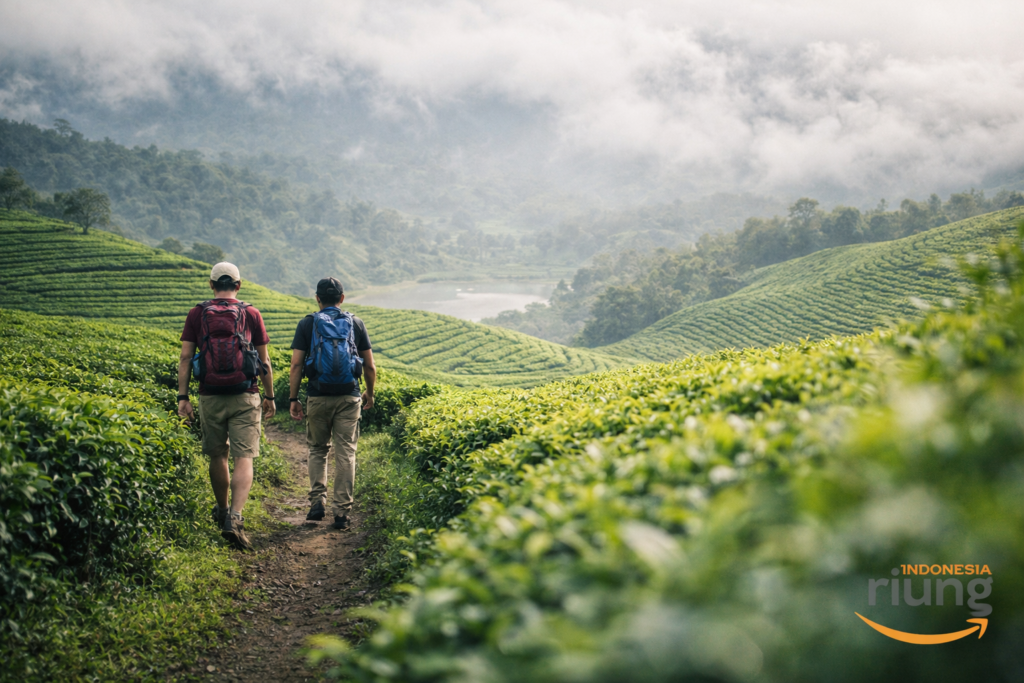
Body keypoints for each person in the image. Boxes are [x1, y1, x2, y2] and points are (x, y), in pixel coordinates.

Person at [177, 262, 275, 551]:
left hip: (209, 394)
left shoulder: (197, 313)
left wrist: (183, 398)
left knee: (218, 455)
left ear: (211, 285)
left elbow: (185, 358)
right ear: (239, 285)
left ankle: (221, 512)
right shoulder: (251, 312)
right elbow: (264, 361)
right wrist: (270, 396)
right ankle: (235, 516)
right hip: (246, 393)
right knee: (244, 456)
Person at [288, 277, 376, 530]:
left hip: (317, 394)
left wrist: (294, 398)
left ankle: (317, 503)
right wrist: (369, 392)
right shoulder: (355, 323)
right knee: (346, 452)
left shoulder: (307, 324)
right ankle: (341, 513)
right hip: (349, 395)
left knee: (317, 449)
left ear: (317, 298)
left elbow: (296, 365)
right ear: (342, 298)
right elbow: (369, 365)